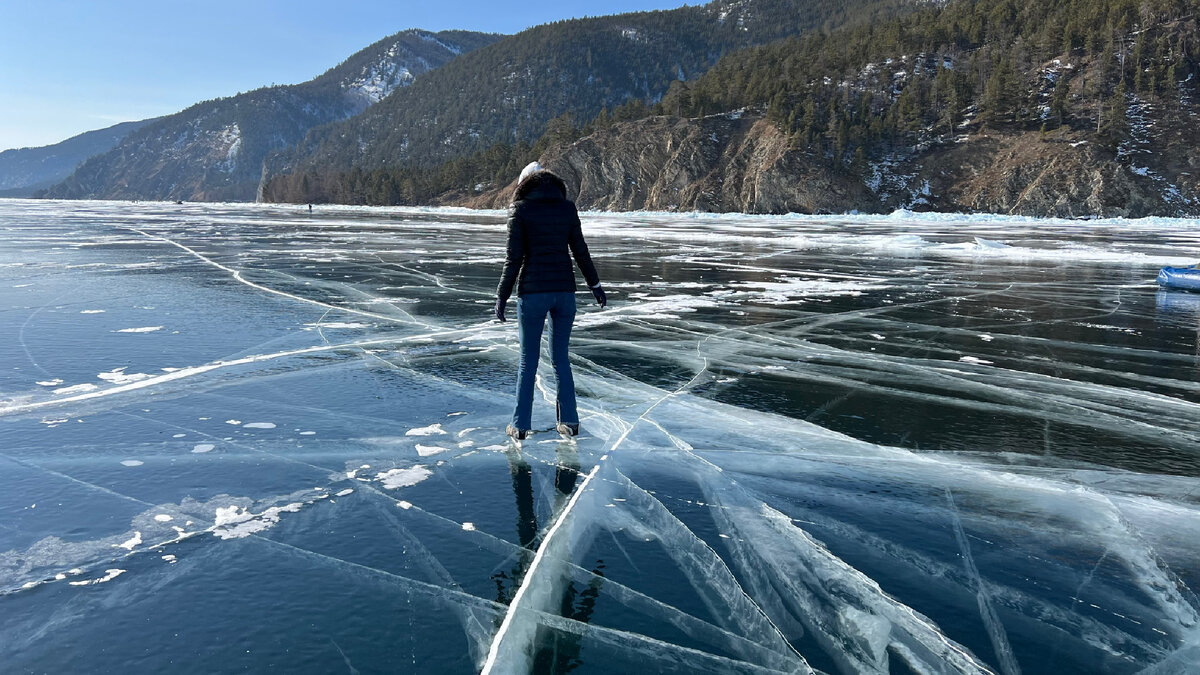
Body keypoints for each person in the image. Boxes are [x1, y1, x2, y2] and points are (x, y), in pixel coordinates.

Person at [495, 162, 606, 440]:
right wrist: (595, 284)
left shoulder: (520, 210)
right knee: (561, 360)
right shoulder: (567, 208)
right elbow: (581, 251)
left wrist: (502, 295)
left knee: (527, 361)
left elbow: (514, 259)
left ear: (523, 184)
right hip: (564, 294)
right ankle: (569, 422)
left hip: (532, 294)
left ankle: (520, 426)